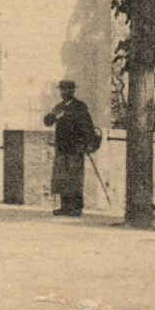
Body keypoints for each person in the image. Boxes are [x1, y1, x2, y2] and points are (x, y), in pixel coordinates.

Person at [42, 79, 101, 216]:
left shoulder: (80, 107)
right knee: (62, 178)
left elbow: (87, 127)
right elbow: (47, 122)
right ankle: (65, 207)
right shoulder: (58, 107)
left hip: (75, 149)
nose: (64, 92)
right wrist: (54, 116)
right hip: (62, 148)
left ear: (73, 90)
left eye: (67, 89)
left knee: (75, 178)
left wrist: (88, 144)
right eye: (62, 89)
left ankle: (76, 208)